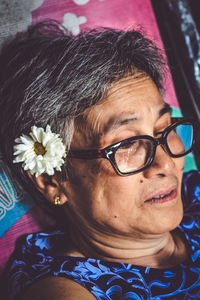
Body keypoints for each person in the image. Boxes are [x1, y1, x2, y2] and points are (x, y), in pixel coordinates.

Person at [1, 20, 200, 300]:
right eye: (128, 143)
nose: (166, 164)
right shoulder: (64, 290)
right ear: (53, 180)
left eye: (163, 128)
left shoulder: (195, 192)